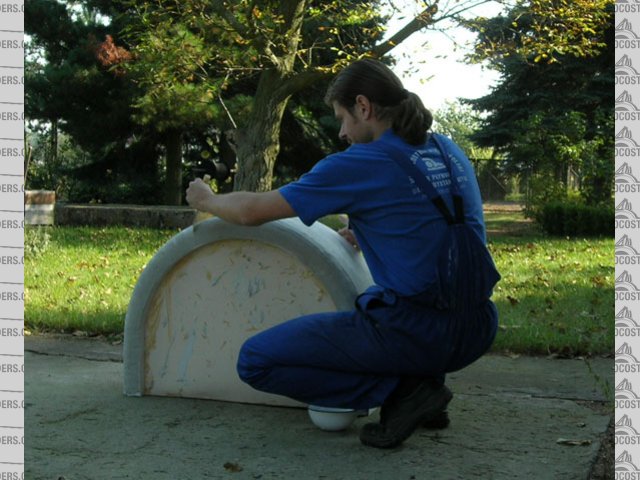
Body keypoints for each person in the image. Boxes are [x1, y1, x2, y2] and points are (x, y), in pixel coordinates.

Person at [186, 58, 500, 449]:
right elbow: (437, 221)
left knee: (256, 360)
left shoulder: (361, 162)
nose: (342, 132)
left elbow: (252, 212)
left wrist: (209, 199)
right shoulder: (446, 149)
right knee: (371, 300)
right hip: (477, 325)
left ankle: (404, 392)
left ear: (364, 107)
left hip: (416, 332)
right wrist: (372, 232)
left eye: (343, 117)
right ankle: (422, 387)